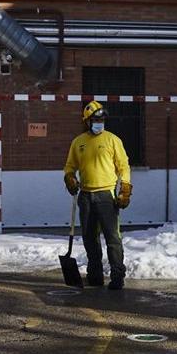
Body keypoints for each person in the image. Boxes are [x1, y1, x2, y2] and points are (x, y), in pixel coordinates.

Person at [63, 100, 132, 290]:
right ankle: (95, 275)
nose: (99, 122)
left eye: (101, 119)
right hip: (85, 196)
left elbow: (123, 166)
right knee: (89, 238)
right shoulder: (78, 143)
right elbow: (70, 166)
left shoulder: (112, 140)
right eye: (95, 119)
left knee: (112, 238)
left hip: (106, 196)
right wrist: (69, 178)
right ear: (87, 121)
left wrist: (125, 188)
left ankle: (117, 276)